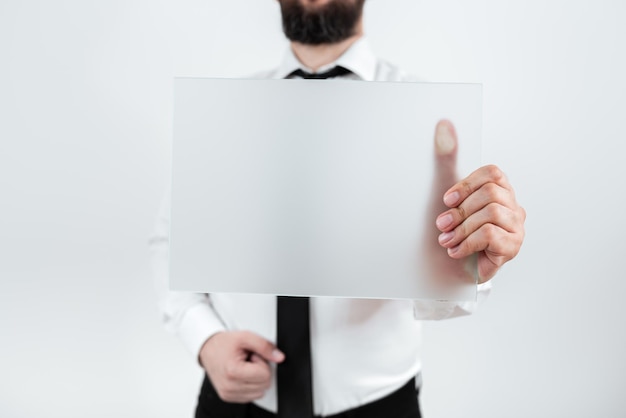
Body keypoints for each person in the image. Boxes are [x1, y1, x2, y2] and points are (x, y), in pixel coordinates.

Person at [150, 0, 526, 417]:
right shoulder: (220, 113)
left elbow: (444, 298)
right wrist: (205, 340)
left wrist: (462, 267)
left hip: (380, 406)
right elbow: (171, 240)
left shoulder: (432, 121)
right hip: (233, 399)